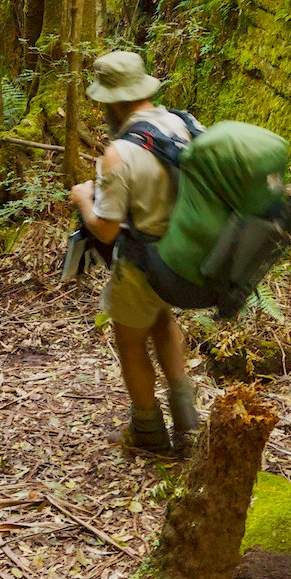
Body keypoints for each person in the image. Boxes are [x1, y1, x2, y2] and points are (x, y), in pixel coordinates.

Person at [68, 50, 203, 456]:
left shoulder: (120, 152)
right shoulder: (185, 123)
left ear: (111, 100)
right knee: (162, 318)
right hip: (188, 256)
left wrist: (84, 200)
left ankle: (148, 431)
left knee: (129, 339)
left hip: (145, 260)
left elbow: (107, 231)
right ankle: (188, 420)